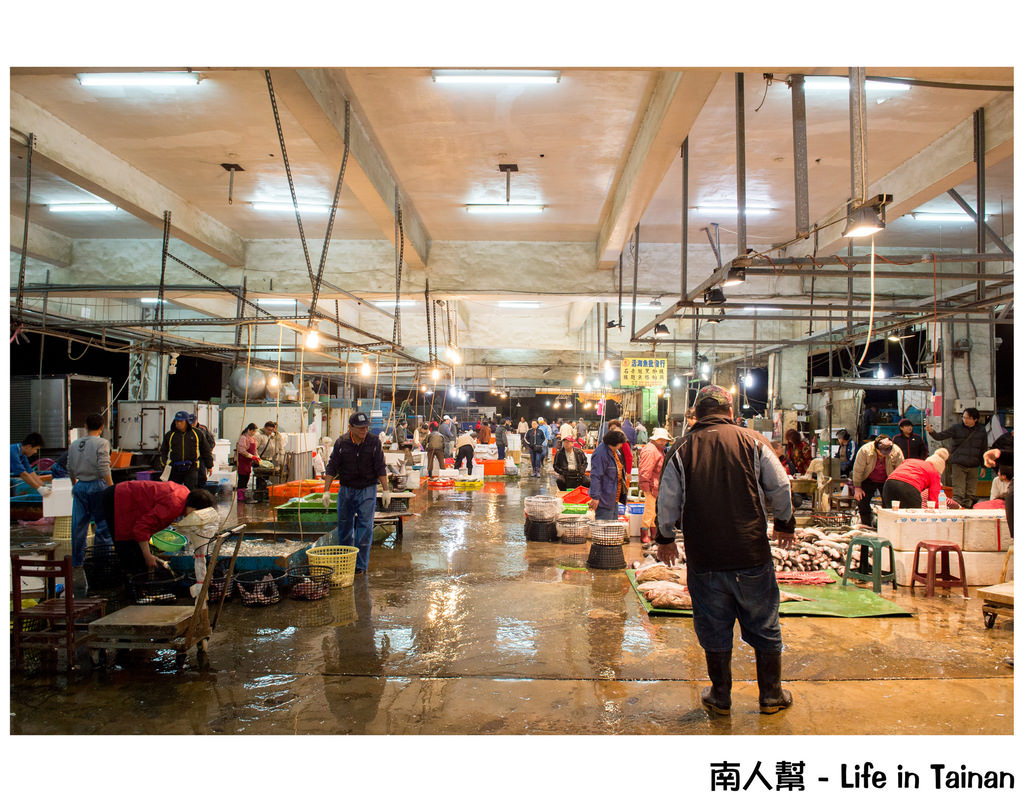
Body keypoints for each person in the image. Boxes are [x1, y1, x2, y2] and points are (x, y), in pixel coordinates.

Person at [656, 385, 796, 716]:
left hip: (705, 557)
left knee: (713, 625)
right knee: (764, 623)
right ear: (730, 411)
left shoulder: (682, 447)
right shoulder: (753, 441)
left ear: (698, 414)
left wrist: (665, 539)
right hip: (751, 553)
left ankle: (721, 697)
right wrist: (785, 523)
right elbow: (781, 486)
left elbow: (667, 500)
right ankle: (771, 695)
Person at [321, 412, 390, 575]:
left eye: (366, 427)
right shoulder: (341, 442)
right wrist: (326, 490)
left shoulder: (373, 442)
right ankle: (345, 562)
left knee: (365, 528)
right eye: (360, 428)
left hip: (368, 489)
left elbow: (380, 466)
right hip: (346, 489)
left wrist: (386, 490)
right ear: (350, 428)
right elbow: (332, 466)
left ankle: (360, 567)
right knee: (344, 526)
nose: (364, 430)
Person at [100, 481, 215, 578]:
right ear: (193, 508)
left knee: (137, 550)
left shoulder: (185, 493)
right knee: (128, 546)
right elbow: (141, 528)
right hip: (118, 497)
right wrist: (148, 555)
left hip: (128, 497)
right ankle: (130, 588)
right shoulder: (174, 505)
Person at [67, 414, 115, 590]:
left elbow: (70, 468)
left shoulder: (73, 445)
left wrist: (75, 484)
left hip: (80, 486)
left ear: (86, 425)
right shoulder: (102, 443)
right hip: (98, 486)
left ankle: (77, 562)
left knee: (79, 526)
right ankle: (100, 563)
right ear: (102, 427)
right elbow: (104, 468)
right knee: (103, 526)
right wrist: (111, 488)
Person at [926, 408, 988, 508]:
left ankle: (967, 509)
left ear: (975, 419)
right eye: (963, 417)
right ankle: (956, 510)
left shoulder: (981, 430)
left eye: (968, 418)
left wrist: (983, 466)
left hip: (974, 465)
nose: (965, 420)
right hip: (958, 464)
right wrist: (932, 431)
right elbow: (940, 436)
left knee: (971, 493)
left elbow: (983, 448)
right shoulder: (956, 428)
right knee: (958, 492)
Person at [851, 435, 905, 526]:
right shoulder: (865, 451)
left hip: (887, 479)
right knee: (862, 502)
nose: (884, 453)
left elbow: (900, 470)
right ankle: (866, 525)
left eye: (887, 450)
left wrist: (898, 487)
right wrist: (857, 487)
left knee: (889, 503)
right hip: (868, 478)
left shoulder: (896, 451)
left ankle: (887, 525)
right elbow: (858, 469)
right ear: (876, 448)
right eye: (882, 451)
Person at [159, 411, 213, 490]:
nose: (178, 423)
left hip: (191, 467)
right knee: (174, 491)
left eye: (181, 421)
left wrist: (209, 465)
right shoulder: (170, 435)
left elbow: (206, 450)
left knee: (190, 490)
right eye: (177, 421)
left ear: (186, 422)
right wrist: (164, 464)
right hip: (174, 467)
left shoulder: (197, 433)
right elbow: (163, 451)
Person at [882, 448, 951, 510]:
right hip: (909, 487)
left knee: (890, 515)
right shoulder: (934, 472)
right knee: (914, 517)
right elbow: (934, 498)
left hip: (889, 484)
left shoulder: (910, 460)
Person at [637, 428, 670, 544]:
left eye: (665, 440)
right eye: (662, 440)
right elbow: (645, 470)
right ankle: (644, 534)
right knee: (649, 511)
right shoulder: (651, 450)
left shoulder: (658, 449)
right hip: (651, 486)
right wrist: (645, 485)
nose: (664, 442)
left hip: (656, 485)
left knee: (654, 511)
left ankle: (653, 533)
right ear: (656, 439)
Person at [588, 430, 629, 520]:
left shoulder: (615, 452)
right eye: (620, 443)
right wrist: (595, 497)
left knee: (612, 528)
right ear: (615, 443)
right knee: (604, 529)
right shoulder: (600, 454)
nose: (621, 446)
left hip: (614, 498)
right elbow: (596, 476)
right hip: (604, 500)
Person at [253, 420, 285, 490]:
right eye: (268, 430)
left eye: (271, 430)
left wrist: (276, 433)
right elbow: (254, 448)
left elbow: (280, 441)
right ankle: (260, 492)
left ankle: (266, 492)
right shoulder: (259, 435)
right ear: (264, 428)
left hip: (269, 459)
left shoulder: (273, 435)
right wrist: (257, 458)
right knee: (260, 477)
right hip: (261, 459)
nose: (270, 432)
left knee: (267, 477)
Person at [188, 413, 218, 481]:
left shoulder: (203, 429)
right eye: (190, 423)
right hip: (190, 458)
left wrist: (207, 452)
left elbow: (211, 442)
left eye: (193, 423)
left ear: (196, 421)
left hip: (201, 457)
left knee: (202, 477)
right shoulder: (186, 430)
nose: (192, 424)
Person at [235, 423, 259, 500]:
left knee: (247, 476)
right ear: (249, 430)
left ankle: (244, 493)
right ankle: (240, 496)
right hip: (242, 461)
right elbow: (242, 450)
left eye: (255, 432)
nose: (254, 433)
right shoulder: (243, 438)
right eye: (253, 431)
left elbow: (255, 450)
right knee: (242, 477)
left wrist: (257, 457)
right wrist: (251, 456)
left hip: (248, 462)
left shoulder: (253, 439)